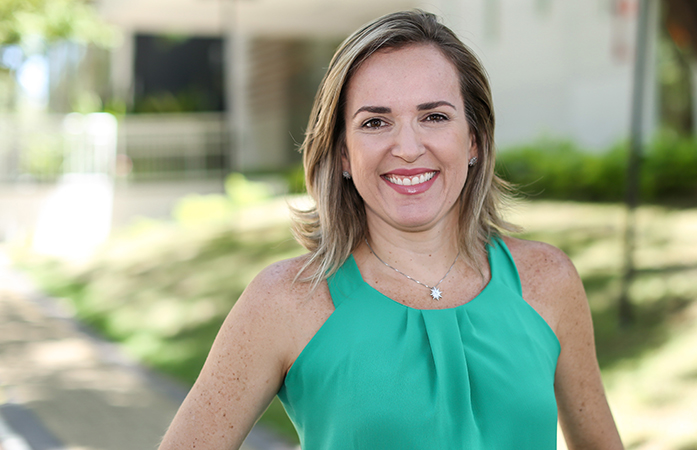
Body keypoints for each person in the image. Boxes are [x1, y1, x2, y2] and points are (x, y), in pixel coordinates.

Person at [159, 10, 624, 450]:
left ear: (474, 141)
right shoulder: (286, 301)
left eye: (434, 117)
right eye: (376, 122)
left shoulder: (548, 281)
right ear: (343, 153)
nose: (407, 147)